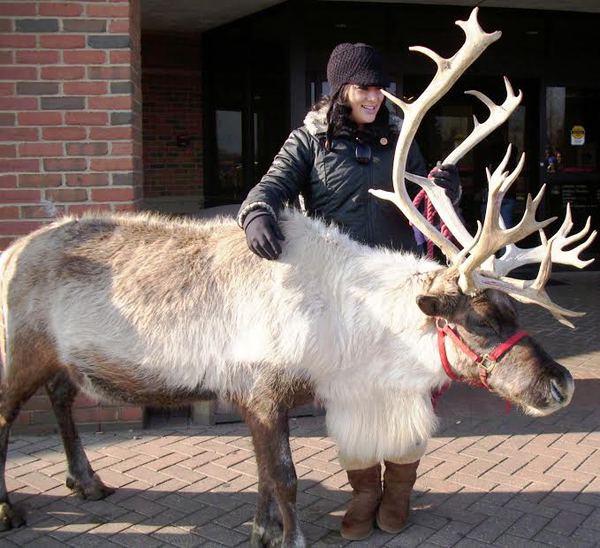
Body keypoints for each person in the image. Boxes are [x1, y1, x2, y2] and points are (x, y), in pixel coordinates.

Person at [237, 42, 461, 540]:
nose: (375, 97)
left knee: (407, 389)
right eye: (364, 88)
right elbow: (270, 186)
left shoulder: (401, 138)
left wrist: (449, 187)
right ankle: (363, 491)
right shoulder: (309, 141)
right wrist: (256, 213)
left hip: (399, 288)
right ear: (342, 89)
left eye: (380, 88)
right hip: (343, 296)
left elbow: (428, 199)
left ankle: (399, 491)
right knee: (350, 396)